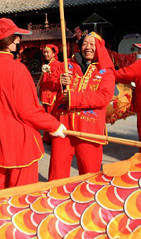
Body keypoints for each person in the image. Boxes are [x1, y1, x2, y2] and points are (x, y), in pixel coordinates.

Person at [0, 18, 65, 191]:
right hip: (20, 146)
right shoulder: (17, 69)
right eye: (16, 37)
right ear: (8, 43)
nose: (19, 41)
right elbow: (29, 111)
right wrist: (54, 125)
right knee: (21, 199)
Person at [48, 31, 115, 181]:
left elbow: (104, 97)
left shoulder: (106, 72)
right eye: (85, 43)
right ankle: (55, 202)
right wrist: (59, 80)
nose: (88, 47)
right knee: (57, 175)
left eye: (92, 44)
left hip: (89, 131)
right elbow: (47, 83)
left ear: (99, 48)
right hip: (63, 128)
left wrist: (74, 98)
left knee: (89, 177)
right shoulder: (67, 64)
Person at [38, 44, 64, 143]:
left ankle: (51, 137)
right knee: (45, 115)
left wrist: (50, 72)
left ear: (54, 54)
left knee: (51, 115)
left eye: (47, 52)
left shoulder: (57, 64)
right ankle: (46, 136)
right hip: (45, 94)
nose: (45, 54)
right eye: (44, 52)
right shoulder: (46, 64)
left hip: (51, 94)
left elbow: (57, 79)